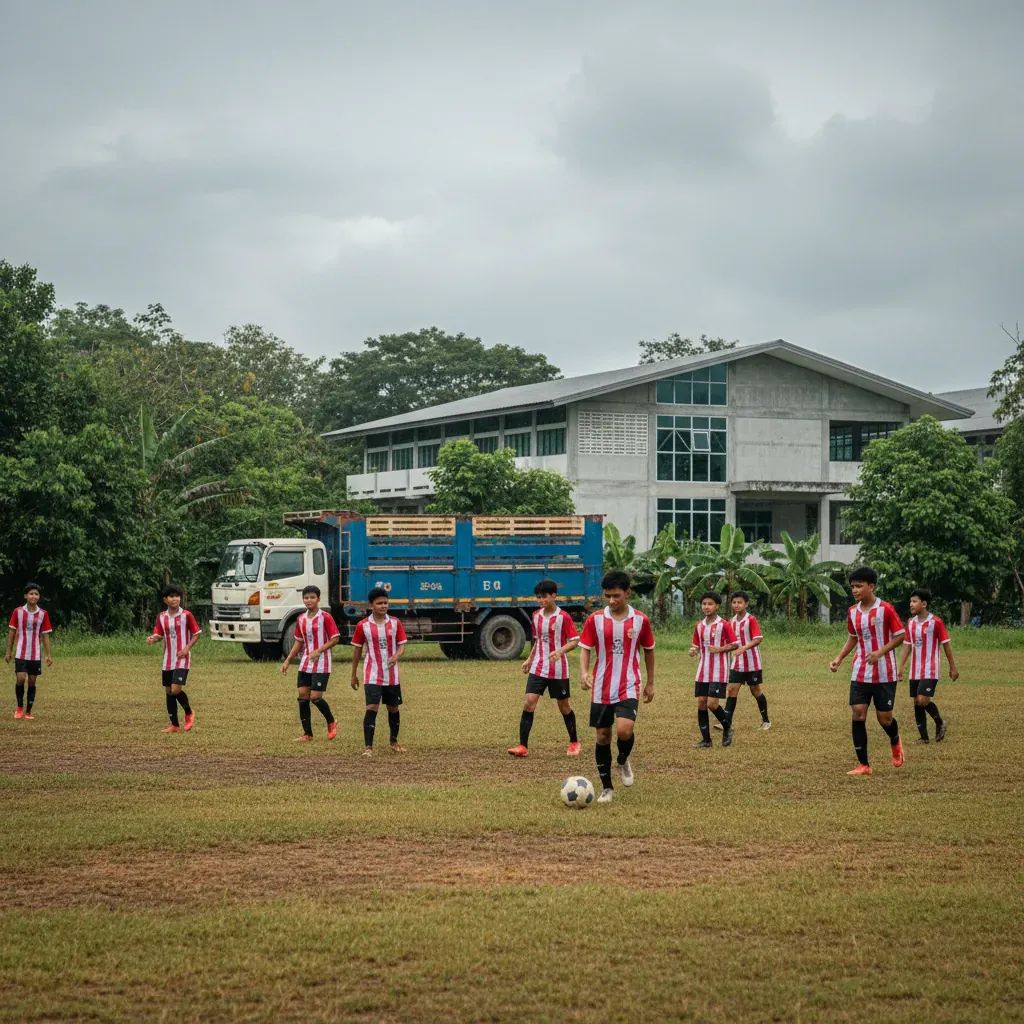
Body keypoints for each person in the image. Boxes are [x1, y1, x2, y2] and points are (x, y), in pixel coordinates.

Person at [578, 570, 655, 804]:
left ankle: (622, 760)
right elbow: (585, 647)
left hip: (629, 683)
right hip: (601, 685)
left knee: (624, 730)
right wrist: (583, 672)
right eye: (608, 596)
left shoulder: (640, 620)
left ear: (627, 593)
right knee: (602, 736)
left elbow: (649, 650)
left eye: (616, 596)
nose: (612, 601)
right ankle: (607, 788)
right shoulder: (596, 619)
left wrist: (650, 682)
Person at [829, 566, 906, 776]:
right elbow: (853, 637)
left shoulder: (886, 609)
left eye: (859, 586)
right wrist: (839, 658)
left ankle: (895, 740)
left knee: (885, 718)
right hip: (860, 671)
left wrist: (879, 653)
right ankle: (864, 765)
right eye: (852, 586)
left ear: (871, 586)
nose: (855, 590)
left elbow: (900, 635)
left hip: (885, 673)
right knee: (858, 713)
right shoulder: (852, 612)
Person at [507, 579, 581, 758]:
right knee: (529, 702)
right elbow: (538, 640)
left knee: (563, 706)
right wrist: (529, 659)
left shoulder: (563, 617)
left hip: (558, 669)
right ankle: (523, 746)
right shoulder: (536, 615)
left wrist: (560, 651)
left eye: (545, 597)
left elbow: (574, 640)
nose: (541, 600)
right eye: (538, 597)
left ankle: (574, 742)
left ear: (554, 596)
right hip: (539, 667)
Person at [350, 587, 407, 756]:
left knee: (393, 708)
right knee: (372, 707)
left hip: (392, 676)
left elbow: (402, 645)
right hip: (372, 674)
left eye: (385, 602)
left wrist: (396, 655)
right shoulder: (363, 625)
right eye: (379, 603)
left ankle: (394, 742)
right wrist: (353, 674)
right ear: (371, 605)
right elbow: (357, 650)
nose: (383, 606)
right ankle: (368, 747)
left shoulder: (395, 622)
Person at [280, 585, 340, 742]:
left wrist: (319, 651)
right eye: (306, 598)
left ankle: (332, 722)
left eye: (312, 597)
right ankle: (307, 734)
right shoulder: (301, 619)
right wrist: (287, 660)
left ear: (318, 599)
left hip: (322, 663)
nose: (309, 600)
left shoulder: (325, 617)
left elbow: (335, 639)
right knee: (302, 697)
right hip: (306, 662)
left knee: (316, 697)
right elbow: (298, 642)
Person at [898, 588, 957, 743]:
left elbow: (946, 644)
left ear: (924, 604)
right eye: (910, 601)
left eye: (914, 601)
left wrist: (953, 667)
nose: (911, 604)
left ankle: (940, 722)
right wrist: (901, 666)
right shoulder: (910, 623)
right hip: (915, 670)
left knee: (923, 700)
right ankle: (923, 737)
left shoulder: (936, 622)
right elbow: (907, 646)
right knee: (916, 702)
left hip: (930, 669)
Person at [145, 584, 201, 734]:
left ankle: (189, 712)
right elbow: (158, 634)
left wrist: (186, 649)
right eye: (171, 596)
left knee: (176, 689)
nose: (175, 598)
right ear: (165, 599)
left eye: (177, 596)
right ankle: (174, 725)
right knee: (169, 692)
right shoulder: (161, 617)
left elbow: (197, 634)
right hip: (167, 659)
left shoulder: (186, 615)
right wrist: (152, 639)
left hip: (182, 658)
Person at [689, 591, 739, 748]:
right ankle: (706, 740)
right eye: (704, 604)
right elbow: (696, 645)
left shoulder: (724, 624)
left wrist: (719, 649)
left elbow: (735, 644)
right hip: (702, 670)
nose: (706, 607)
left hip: (719, 670)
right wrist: (693, 650)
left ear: (717, 606)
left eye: (710, 604)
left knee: (712, 704)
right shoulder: (699, 625)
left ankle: (727, 728)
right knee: (702, 702)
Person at [717, 591, 771, 732]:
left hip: (752, 662)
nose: (736, 605)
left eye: (739, 602)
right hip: (737, 663)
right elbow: (729, 641)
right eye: (734, 602)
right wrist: (718, 650)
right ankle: (727, 723)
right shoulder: (731, 622)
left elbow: (758, 638)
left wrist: (744, 648)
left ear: (746, 604)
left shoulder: (750, 620)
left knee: (755, 690)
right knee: (732, 689)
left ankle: (766, 721)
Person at [6, 582, 54, 720]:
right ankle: (19, 708)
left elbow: (45, 635)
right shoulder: (18, 612)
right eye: (31, 593)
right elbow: (12, 631)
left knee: (32, 681)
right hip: (21, 652)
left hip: (35, 654)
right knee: (21, 678)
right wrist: (8, 651)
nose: (34, 596)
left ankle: (28, 711)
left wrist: (48, 655)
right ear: (26, 596)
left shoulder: (43, 614)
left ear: (39, 597)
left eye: (36, 594)